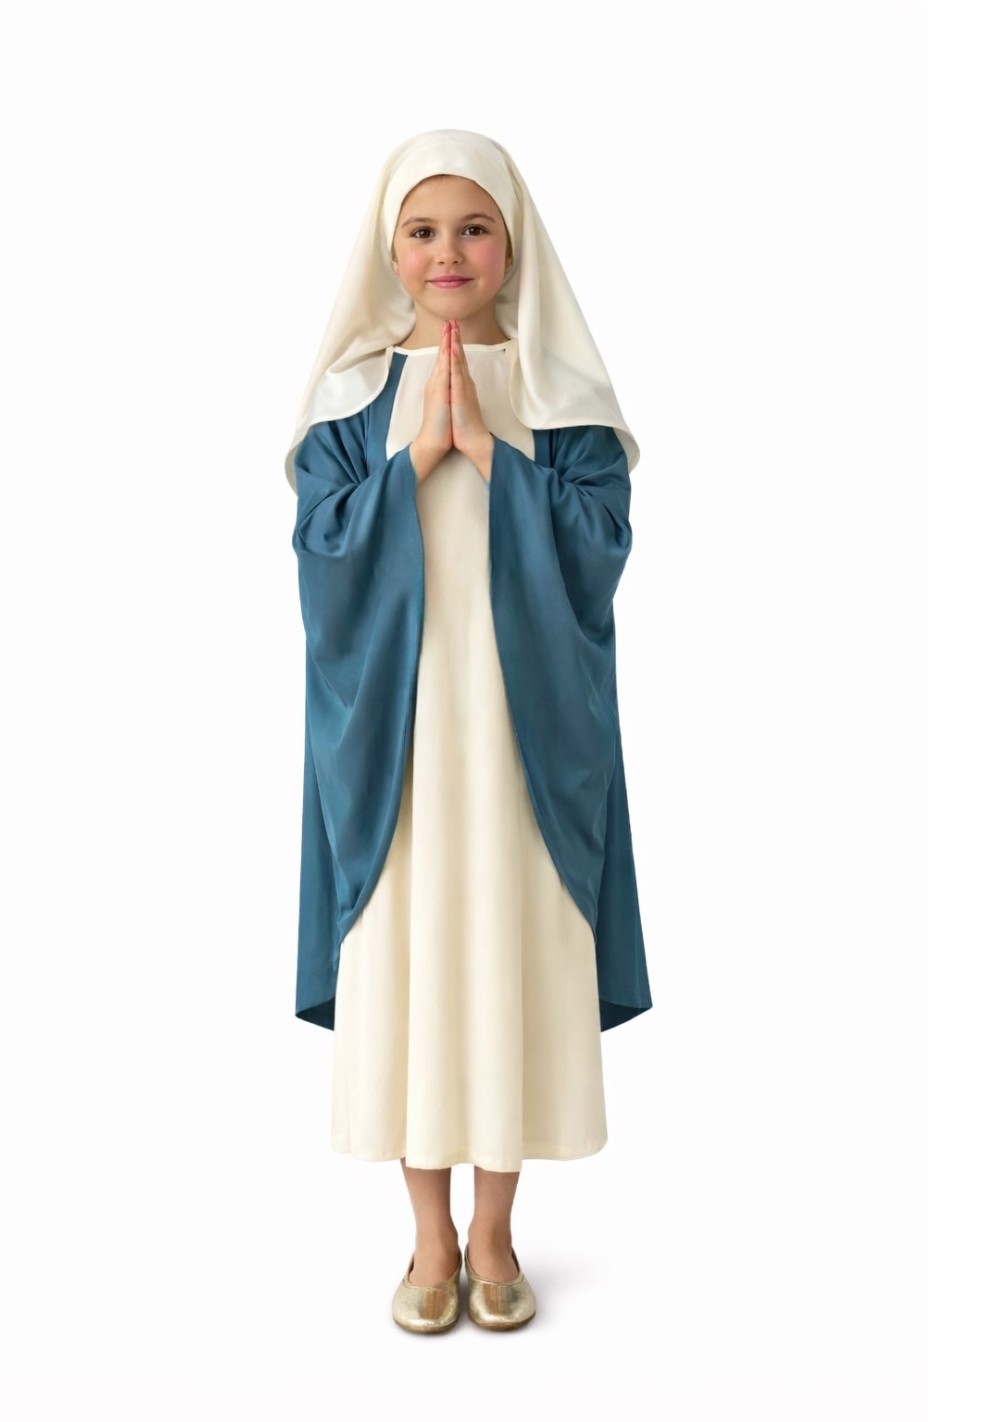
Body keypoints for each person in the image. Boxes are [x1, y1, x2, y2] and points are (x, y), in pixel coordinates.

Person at [285, 129, 652, 1333]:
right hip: (396, 743)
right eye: (422, 231)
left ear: (512, 242)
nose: (448, 253)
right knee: (413, 967)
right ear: (388, 250)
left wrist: (491, 453)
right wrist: (413, 462)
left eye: (473, 228)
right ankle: (428, 1236)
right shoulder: (353, 399)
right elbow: (321, 554)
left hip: (521, 741)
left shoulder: (556, 396)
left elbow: (599, 549)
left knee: (507, 961)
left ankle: (493, 1231)